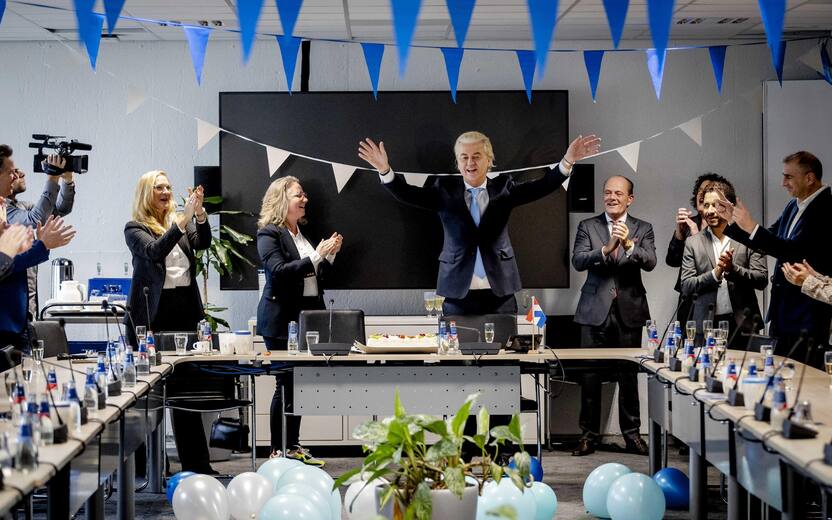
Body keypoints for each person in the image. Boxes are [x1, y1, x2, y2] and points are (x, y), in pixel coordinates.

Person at [358, 132, 600, 315]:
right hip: (456, 293)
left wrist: (567, 161)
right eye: (464, 157)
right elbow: (407, 193)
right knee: (457, 368)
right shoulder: (443, 190)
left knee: (504, 364)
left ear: (489, 160)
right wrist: (384, 169)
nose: (470, 162)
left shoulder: (504, 189)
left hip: (500, 293)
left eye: (476, 156)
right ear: (457, 162)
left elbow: (543, 186)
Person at [124, 170, 214, 474]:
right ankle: (150, 468)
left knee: (186, 390)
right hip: (153, 315)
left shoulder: (181, 222)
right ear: (146, 194)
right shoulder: (135, 228)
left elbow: (202, 243)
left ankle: (197, 464)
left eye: (168, 187)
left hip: (185, 311)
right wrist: (182, 219)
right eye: (158, 187)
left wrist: (198, 214)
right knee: (150, 394)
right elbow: (154, 251)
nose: (165, 191)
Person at [716, 151, 831, 368]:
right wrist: (733, 222)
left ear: (809, 178)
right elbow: (769, 239)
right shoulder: (794, 204)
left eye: (789, 177)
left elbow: (793, 251)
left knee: (803, 384)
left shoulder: (826, 208)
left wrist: (751, 226)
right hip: (784, 314)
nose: (783, 183)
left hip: (807, 316)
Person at [256, 176, 342, 464]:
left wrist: (327, 257)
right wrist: (317, 255)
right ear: (282, 200)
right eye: (298, 195)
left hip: (307, 318)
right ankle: (278, 449)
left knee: (299, 384)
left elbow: (311, 278)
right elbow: (279, 272)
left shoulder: (300, 235)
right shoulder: (269, 233)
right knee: (285, 382)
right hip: (281, 320)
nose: (305, 199)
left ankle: (291, 445)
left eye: (304, 194)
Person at [571, 175, 656, 456]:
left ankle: (632, 436)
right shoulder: (588, 226)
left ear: (629, 198)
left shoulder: (643, 228)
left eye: (618, 193)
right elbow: (578, 260)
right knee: (590, 377)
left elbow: (651, 261)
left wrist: (629, 245)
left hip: (629, 311)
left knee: (628, 376)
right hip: (594, 311)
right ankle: (588, 436)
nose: (611, 197)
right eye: (607, 193)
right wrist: (605, 249)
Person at [680, 183, 768, 342]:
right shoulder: (693, 243)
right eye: (706, 205)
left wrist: (733, 270)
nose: (710, 211)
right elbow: (686, 285)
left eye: (716, 205)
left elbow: (761, 279)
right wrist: (715, 274)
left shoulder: (749, 237)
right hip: (705, 325)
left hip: (743, 325)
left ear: (729, 206)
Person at [7, 160, 76, 318]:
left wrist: (67, 180)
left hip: (27, 308)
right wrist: (52, 178)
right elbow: (36, 218)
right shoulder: (5, 212)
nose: (22, 174)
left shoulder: (22, 207)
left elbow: (60, 209)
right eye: (14, 172)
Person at [666, 173, 730, 322]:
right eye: (700, 190)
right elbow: (672, 261)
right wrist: (680, 233)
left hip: (721, 299)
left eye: (708, 189)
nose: (702, 194)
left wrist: (697, 238)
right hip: (690, 300)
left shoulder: (728, 226)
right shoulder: (689, 223)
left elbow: (717, 266)